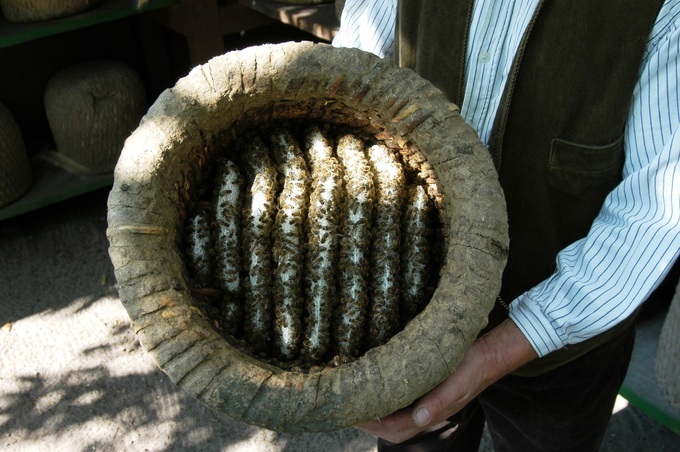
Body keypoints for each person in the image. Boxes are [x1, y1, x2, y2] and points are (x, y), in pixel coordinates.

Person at [333, 1, 680, 451]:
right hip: (410, 322)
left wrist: (496, 352)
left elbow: (654, 212)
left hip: (560, 349)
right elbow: (357, 65)